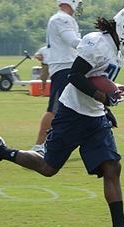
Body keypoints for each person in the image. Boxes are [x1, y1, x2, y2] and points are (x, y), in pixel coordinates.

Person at [0, 4, 124, 227]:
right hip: (71, 114)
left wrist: (108, 102)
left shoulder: (115, 49)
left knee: (112, 166)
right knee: (48, 167)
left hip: (94, 118)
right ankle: (2, 150)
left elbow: (98, 80)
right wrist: (102, 97)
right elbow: (75, 76)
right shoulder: (97, 43)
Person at [32, 0, 83, 153]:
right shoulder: (62, 19)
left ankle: (78, 141)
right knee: (54, 109)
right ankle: (39, 146)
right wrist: (95, 45)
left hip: (67, 66)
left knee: (76, 107)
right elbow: (73, 41)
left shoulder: (59, 19)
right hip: (64, 68)